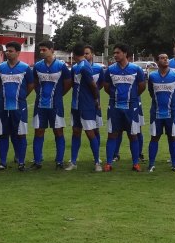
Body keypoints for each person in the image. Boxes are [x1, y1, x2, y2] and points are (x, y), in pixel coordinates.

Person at [103, 43, 146, 171]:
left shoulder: (136, 69)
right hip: (115, 107)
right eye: (114, 53)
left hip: (131, 108)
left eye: (118, 52)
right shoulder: (110, 70)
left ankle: (135, 163)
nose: (115, 55)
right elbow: (106, 87)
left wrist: (132, 98)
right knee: (112, 135)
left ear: (125, 53)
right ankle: (109, 163)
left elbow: (142, 87)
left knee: (133, 135)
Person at [31, 41, 72, 170]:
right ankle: (37, 161)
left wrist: (58, 95)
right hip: (40, 105)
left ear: (52, 50)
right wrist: (40, 94)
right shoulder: (37, 66)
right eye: (40, 50)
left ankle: (59, 161)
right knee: (38, 131)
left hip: (56, 106)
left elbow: (68, 83)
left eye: (44, 50)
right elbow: (35, 83)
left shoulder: (61, 66)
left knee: (58, 131)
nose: (41, 52)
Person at [0, 41, 34, 172]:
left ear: (18, 52)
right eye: (7, 51)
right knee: (3, 135)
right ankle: (2, 163)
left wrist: (21, 96)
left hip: (19, 108)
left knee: (21, 135)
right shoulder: (1, 68)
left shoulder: (25, 68)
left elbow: (31, 85)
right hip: (3, 107)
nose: (8, 53)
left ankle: (21, 163)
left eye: (10, 51)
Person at [66, 44, 103, 172]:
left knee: (90, 132)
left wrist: (96, 100)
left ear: (74, 54)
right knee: (76, 132)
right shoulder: (75, 67)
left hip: (86, 106)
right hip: (75, 105)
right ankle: (73, 162)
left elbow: (93, 85)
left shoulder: (84, 67)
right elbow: (74, 84)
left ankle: (97, 162)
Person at [146, 52, 175, 172]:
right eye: (162, 58)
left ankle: (174, 164)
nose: (165, 60)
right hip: (156, 113)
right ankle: (151, 164)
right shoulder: (152, 76)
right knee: (154, 137)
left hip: (172, 113)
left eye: (167, 58)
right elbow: (151, 92)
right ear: (157, 62)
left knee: (173, 138)